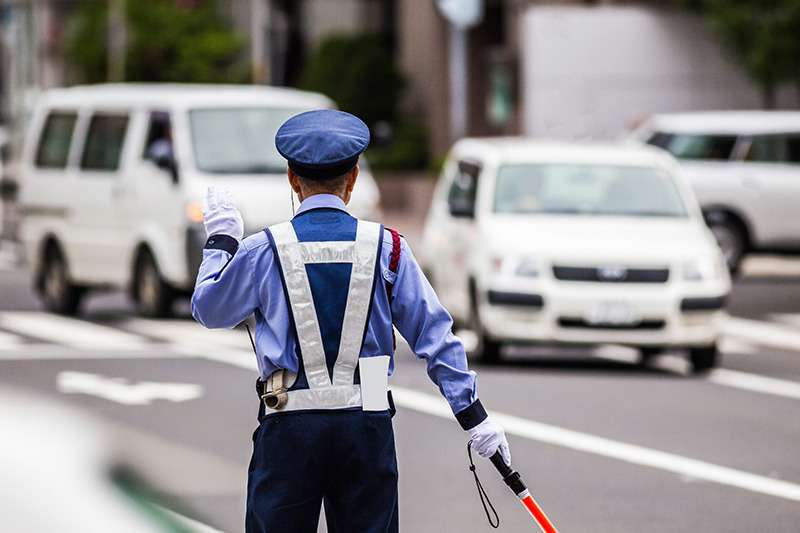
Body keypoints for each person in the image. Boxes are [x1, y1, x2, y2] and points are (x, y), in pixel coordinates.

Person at [191, 109, 511, 533]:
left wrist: (221, 240)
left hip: (288, 425)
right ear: (354, 177)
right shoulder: (389, 248)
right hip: (366, 426)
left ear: (292, 178)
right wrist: (474, 417)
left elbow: (209, 309)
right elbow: (435, 336)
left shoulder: (265, 249)